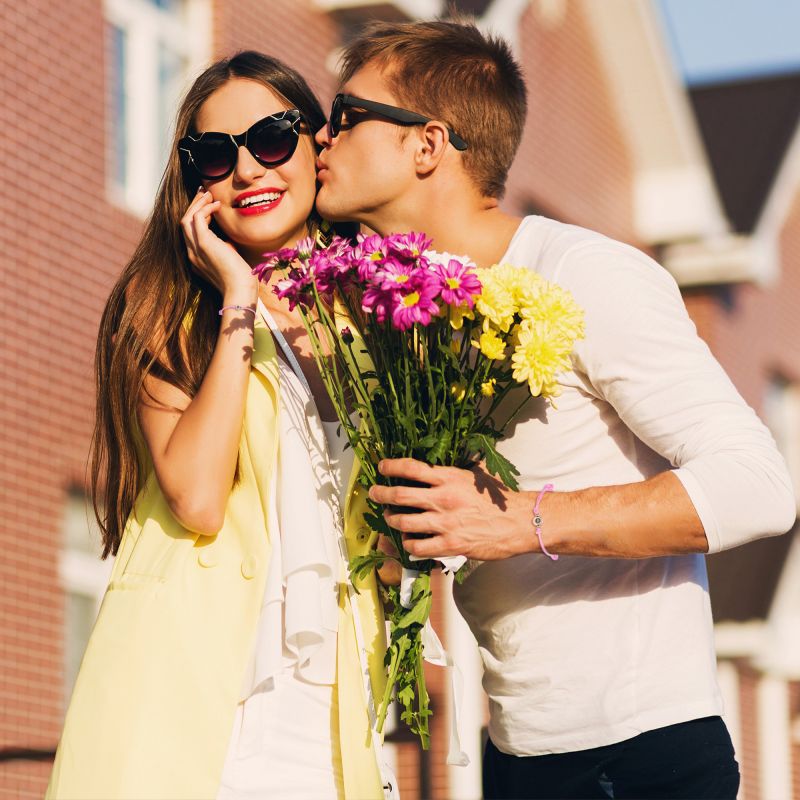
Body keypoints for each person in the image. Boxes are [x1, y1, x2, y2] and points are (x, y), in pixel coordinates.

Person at [313, 19, 797, 800]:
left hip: (641, 758)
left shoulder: (588, 274)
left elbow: (760, 486)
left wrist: (521, 519)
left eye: (346, 116)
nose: (321, 139)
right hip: (515, 757)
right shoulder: (404, 321)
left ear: (427, 145)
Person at [46, 51, 390, 800]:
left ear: (314, 143)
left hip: (333, 719)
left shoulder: (383, 317)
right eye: (215, 154)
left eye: (270, 137)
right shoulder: (165, 312)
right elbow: (198, 497)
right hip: (199, 721)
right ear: (193, 179)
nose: (247, 170)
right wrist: (238, 296)